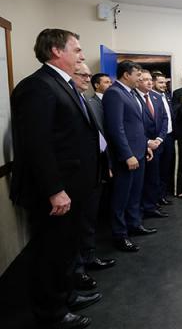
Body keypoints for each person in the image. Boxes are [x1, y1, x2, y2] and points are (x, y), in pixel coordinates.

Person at [10, 28, 101, 328]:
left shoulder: (63, 85)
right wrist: (54, 190)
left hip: (74, 187)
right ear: (56, 52)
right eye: (76, 49)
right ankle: (51, 313)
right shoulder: (38, 87)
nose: (82, 55)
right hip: (56, 192)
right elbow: (37, 145)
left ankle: (66, 296)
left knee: (66, 250)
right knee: (51, 253)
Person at [103, 60, 156, 252]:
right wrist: (127, 154)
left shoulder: (131, 94)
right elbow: (115, 128)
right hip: (127, 156)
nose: (140, 79)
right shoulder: (114, 94)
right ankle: (120, 235)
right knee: (121, 197)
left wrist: (145, 145)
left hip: (139, 151)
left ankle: (134, 224)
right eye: (137, 75)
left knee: (135, 193)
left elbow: (136, 125)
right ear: (126, 75)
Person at [72, 63, 116, 291]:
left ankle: (88, 258)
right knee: (77, 224)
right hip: (75, 174)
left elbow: (101, 138)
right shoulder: (84, 101)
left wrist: (105, 163)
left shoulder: (87, 102)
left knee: (89, 219)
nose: (86, 79)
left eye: (88, 76)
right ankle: (77, 270)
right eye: (82, 75)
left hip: (95, 168)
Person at [136, 70, 169, 218]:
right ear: (137, 81)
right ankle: (141, 209)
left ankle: (152, 206)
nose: (149, 82)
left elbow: (164, 119)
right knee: (142, 179)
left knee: (155, 177)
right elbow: (133, 124)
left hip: (158, 143)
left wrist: (160, 139)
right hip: (141, 144)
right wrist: (147, 142)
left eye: (150, 79)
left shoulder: (156, 97)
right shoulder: (133, 97)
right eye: (145, 80)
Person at [152, 71, 176, 205]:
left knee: (166, 167)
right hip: (157, 139)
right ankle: (154, 199)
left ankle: (162, 195)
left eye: (165, 83)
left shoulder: (166, 96)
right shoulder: (150, 97)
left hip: (169, 136)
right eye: (160, 82)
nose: (164, 85)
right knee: (156, 170)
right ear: (153, 82)